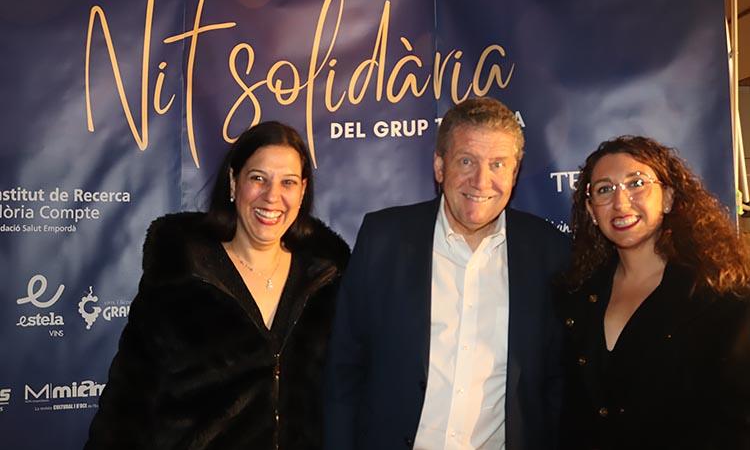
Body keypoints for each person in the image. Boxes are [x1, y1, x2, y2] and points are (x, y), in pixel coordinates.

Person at [324, 97, 571, 450]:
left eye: (498, 164)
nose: (481, 181)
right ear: (440, 167)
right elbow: (344, 368)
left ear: (514, 174)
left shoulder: (549, 251)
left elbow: (556, 381)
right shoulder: (383, 239)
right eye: (467, 161)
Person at [85, 121, 349, 450]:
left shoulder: (328, 282)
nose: (272, 196)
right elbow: (126, 408)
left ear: (302, 191)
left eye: (288, 182)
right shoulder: (180, 277)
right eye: (258, 178)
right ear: (234, 183)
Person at [559, 135, 750, 450]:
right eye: (604, 190)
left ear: (668, 198)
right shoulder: (579, 293)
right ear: (592, 211)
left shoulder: (720, 293)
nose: (621, 203)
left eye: (636, 184)